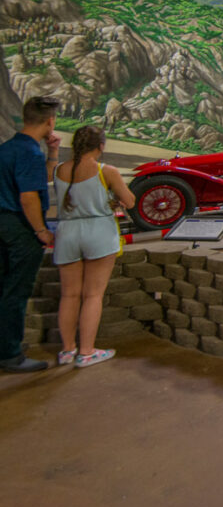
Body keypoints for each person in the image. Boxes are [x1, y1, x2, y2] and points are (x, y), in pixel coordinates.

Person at [53, 126, 134, 368]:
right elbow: (129, 201)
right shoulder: (106, 170)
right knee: (93, 295)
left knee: (69, 295)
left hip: (67, 232)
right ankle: (86, 352)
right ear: (101, 146)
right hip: (98, 231)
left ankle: (67, 350)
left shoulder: (59, 169)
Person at [0, 95, 61, 373]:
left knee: (5, 287)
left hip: (4, 223)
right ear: (50, 121)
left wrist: (53, 153)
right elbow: (28, 197)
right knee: (16, 291)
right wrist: (41, 230)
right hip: (20, 227)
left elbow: (38, 178)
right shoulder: (29, 152)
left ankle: (6, 344)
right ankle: (10, 355)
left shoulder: (9, 147)